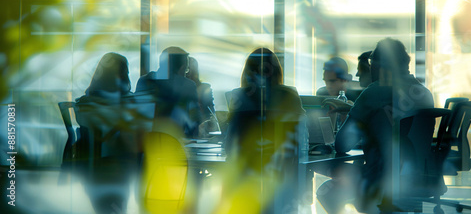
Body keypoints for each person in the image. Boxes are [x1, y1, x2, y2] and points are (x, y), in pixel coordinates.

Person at [317, 38, 434, 214]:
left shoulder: (375, 92)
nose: (370, 68)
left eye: (372, 63)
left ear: (382, 65)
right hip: (418, 176)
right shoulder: (424, 93)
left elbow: (342, 144)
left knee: (326, 187)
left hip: (380, 178)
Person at [222, 48, 305, 213]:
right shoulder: (290, 96)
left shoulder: (241, 98)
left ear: (247, 73)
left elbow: (229, 147)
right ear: (277, 72)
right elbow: (300, 145)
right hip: (283, 191)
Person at [75, 52, 142, 214]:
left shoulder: (85, 102)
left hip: (93, 165)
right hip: (121, 163)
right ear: (123, 75)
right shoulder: (130, 104)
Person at [135, 46, 202, 137]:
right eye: (186, 70)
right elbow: (195, 121)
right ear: (182, 68)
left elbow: (137, 116)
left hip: (145, 142)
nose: (186, 74)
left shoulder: (144, 80)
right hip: (176, 142)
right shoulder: (188, 85)